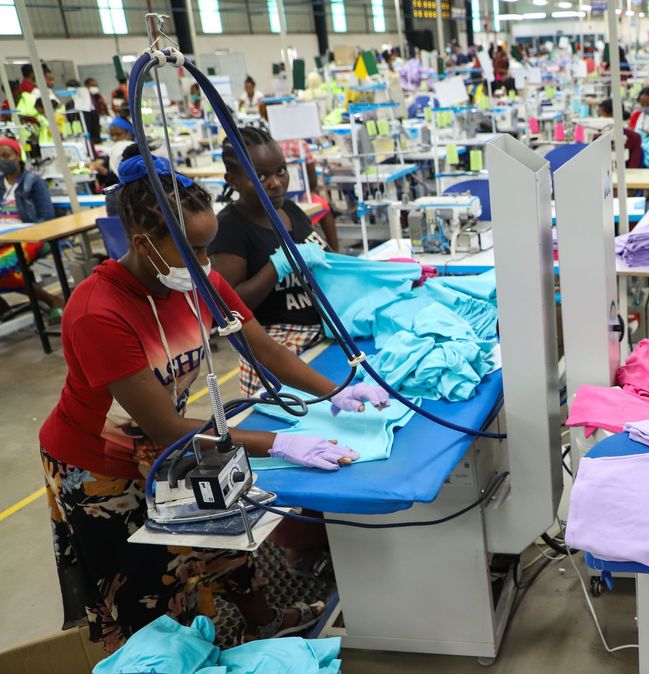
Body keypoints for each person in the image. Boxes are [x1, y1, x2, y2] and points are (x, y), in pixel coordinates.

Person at [38, 152, 390, 652]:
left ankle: (264, 624)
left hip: (170, 438)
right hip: (100, 465)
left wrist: (333, 390)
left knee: (225, 539)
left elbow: (261, 345)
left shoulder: (194, 279)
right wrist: (280, 443)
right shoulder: (99, 313)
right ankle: (172, 658)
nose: (207, 263)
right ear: (144, 245)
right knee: (154, 588)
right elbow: (165, 428)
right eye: (196, 249)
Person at [210, 127, 334, 398]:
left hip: (320, 339)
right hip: (276, 352)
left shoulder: (290, 209)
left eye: (280, 171)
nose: (276, 183)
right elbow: (228, 307)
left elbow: (326, 261)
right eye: (261, 176)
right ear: (232, 180)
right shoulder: (230, 229)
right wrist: (276, 267)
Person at [0, 136, 65, 317]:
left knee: (1, 267)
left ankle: (51, 299)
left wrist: (25, 232)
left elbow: (47, 218)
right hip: (5, 238)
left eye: (6, 155)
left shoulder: (34, 183)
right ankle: (4, 307)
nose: (2, 161)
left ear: (18, 156)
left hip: (33, 237)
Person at [598, 98, 644, 169]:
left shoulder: (634, 138)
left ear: (613, 115)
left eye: (602, 116)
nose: (600, 119)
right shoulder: (597, 137)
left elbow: (633, 166)